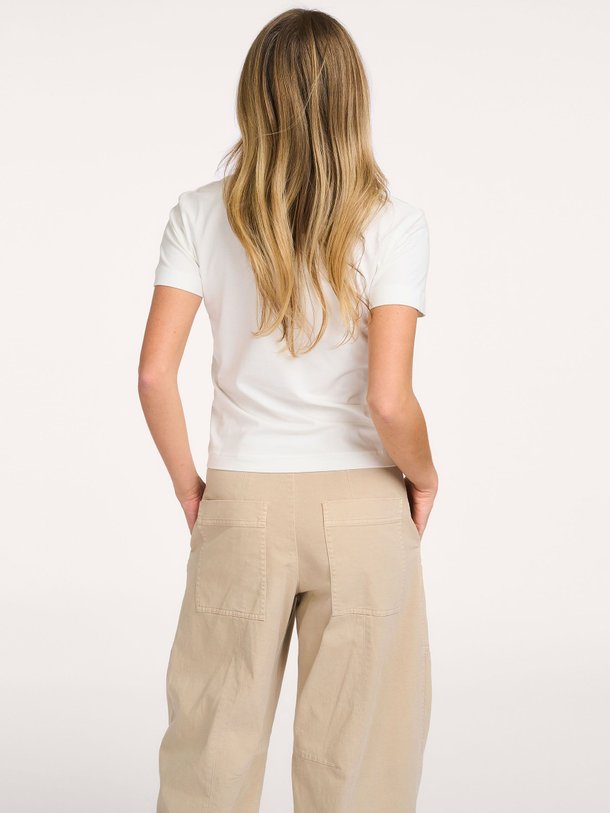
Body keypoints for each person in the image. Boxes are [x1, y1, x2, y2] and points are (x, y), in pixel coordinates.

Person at [138, 8, 438, 813]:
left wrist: (190, 487)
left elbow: (155, 376)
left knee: (209, 757)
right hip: (364, 506)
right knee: (360, 769)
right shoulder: (395, 225)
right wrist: (424, 474)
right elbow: (388, 398)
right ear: (354, 101)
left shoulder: (199, 214)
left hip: (243, 501)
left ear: (253, 98)